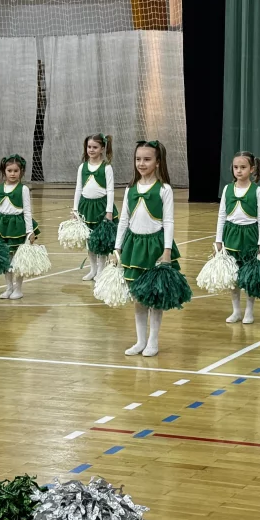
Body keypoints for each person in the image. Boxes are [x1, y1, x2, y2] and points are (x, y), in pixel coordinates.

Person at [114, 140, 181, 357]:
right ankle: (140, 341)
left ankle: (153, 341)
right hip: (133, 246)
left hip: (155, 246)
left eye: (147, 159)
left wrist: (167, 251)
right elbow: (123, 219)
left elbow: (169, 221)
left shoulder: (164, 189)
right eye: (138, 159)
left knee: (154, 297)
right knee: (138, 297)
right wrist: (117, 247)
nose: (141, 163)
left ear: (158, 162)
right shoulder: (130, 188)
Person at [214, 151, 260, 325]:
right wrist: (218, 239)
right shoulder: (227, 189)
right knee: (233, 275)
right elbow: (222, 215)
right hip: (231, 235)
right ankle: (236, 310)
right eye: (236, 167)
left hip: (250, 235)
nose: (238, 171)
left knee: (249, 275)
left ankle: (249, 311)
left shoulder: (257, 190)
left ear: (252, 169)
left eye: (243, 167)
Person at [0, 154, 39, 301]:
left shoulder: (23, 189)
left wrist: (30, 231)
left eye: (16, 171)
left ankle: (18, 288)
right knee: (6, 260)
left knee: (18, 260)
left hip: (17, 227)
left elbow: (28, 211)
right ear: (4, 171)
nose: (12, 173)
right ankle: (8, 287)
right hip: (1, 227)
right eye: (9, 170)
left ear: (21, 172)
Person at [73, 133, 116, 282]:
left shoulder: (107, 167)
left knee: (101, 241)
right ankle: (93, 269)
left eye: (95, 147)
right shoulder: (82, 167)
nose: (91, 150)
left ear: (102, 148)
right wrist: (75, 209)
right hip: (85, 207)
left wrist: (109, 211)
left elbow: (110, 190)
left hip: (101, 207)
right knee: (89, 240)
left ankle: (101, 270)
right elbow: (78, 188)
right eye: (89, 147)